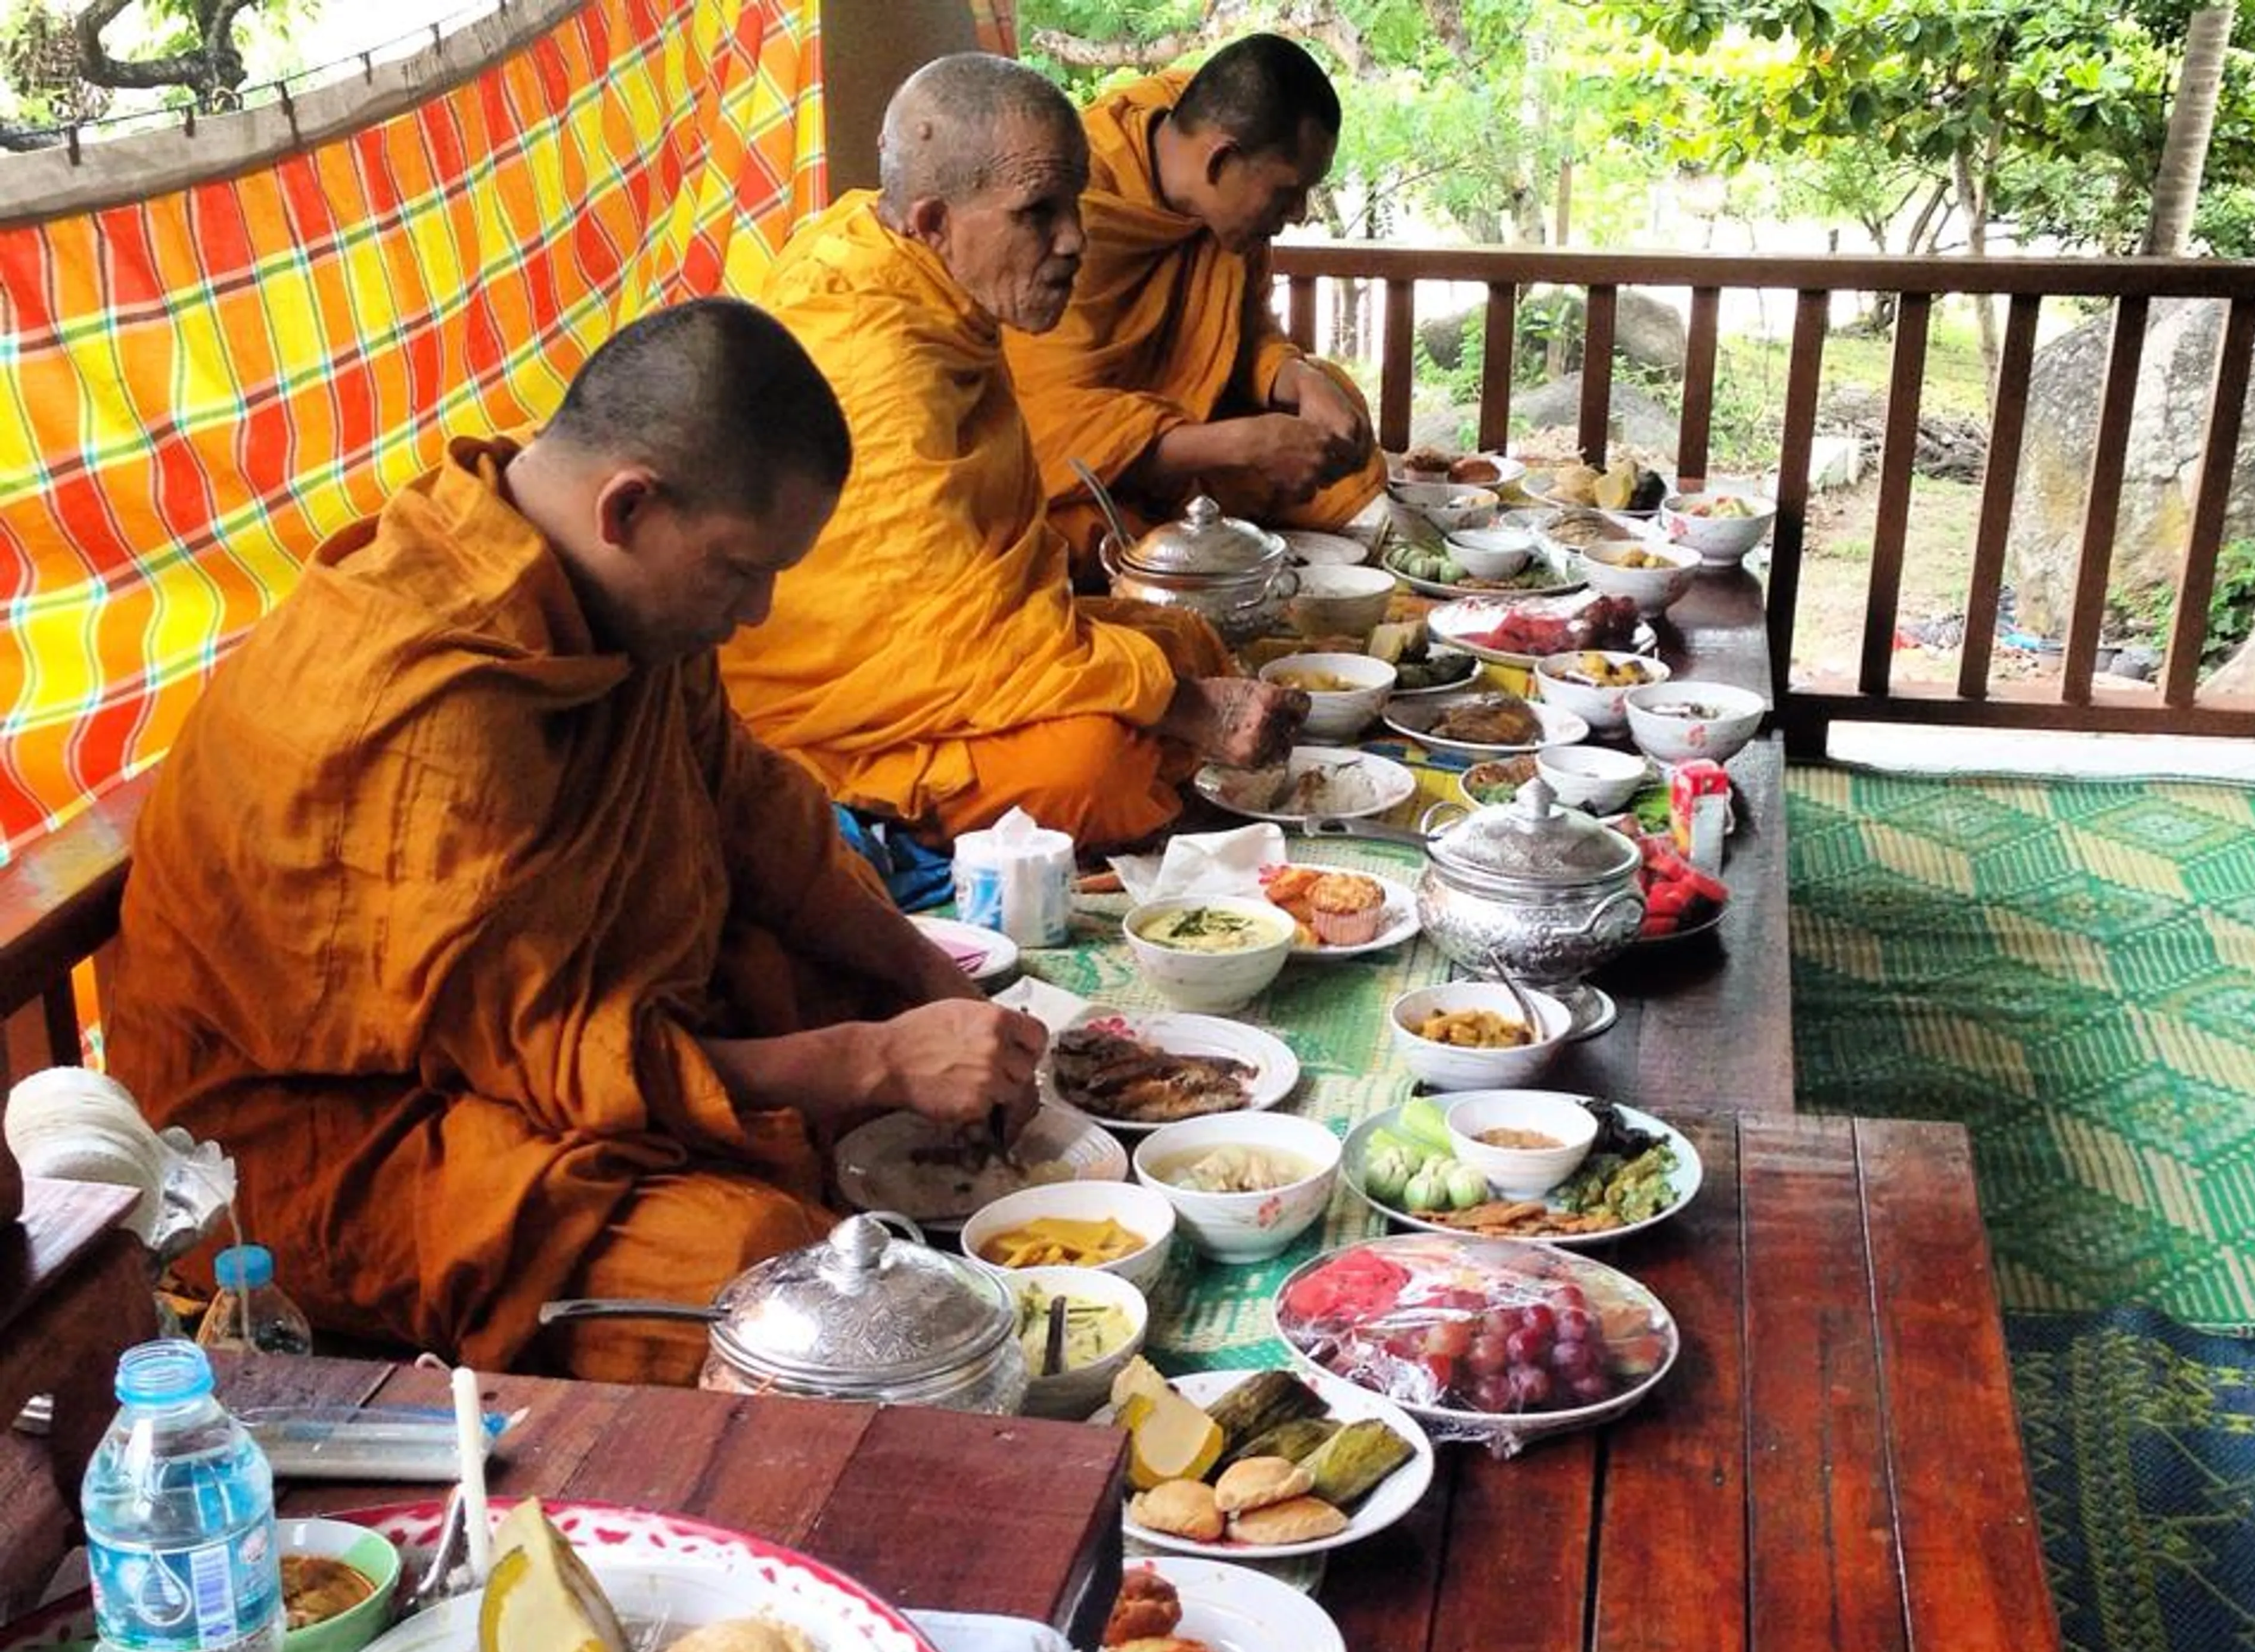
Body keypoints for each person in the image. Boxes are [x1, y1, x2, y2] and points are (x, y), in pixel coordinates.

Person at [107, 300, 1047, 1387]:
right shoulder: (434, 709)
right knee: (760, 1271)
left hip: (558, 1047)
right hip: (333, 1135)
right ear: (630, 506)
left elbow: (753, 814)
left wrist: (926, 976)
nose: (758, 611)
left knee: (850, 989)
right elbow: (558, 1055)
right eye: (741, 571)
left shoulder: (617, 599)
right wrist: (875, 1057)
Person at [719, 53, 1303, 853]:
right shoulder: (877, 359)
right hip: (843, 710)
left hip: (967, 640)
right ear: (932, 221)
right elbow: (943, 640)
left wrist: (1170, 684)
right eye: (1038, 213)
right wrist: (1196, 711)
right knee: (1098, 763)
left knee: (1186, 641)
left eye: (1075, 204)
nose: (1074, 240)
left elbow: (986, 591)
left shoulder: (921, 270)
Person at [1004, 32, 1384, 564]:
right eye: (1287, 191)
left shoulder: (1212, 170)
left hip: (1189, 441)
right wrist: (1247, 444)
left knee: (1336, 413)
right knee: (1064, 532)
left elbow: (1242, 330)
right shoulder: (1074, 209)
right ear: (1220, 160)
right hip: (1096, 469)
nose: (1300, 213)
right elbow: (1048, 426)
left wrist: (1297, 377)